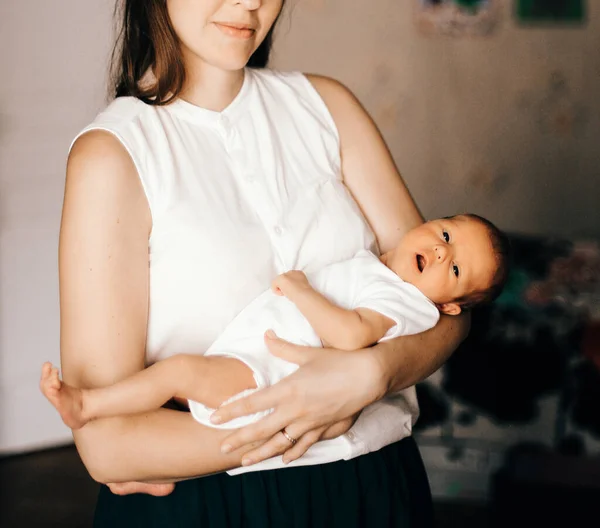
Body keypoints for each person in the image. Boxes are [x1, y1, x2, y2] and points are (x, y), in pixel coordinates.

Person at [57, 0, 472, 525]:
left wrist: (372, 374)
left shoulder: (329, 106)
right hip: (214, 506)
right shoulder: (112, 156)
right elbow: (109, 448)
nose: (250, 1)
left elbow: (447, 307)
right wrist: (312, 410)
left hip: (377, 487)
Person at [42, 214, 508, 467]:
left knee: (179, 372)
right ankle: (120, 436)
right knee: (177, 380)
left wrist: (302, 291)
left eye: (455, 269)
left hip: (271, 378)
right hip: (257, 362)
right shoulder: (386, 270)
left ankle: (88, 406)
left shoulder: (407, 303)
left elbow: (350, 334)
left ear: (449, 307)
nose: (443, 249)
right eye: (446, 233)